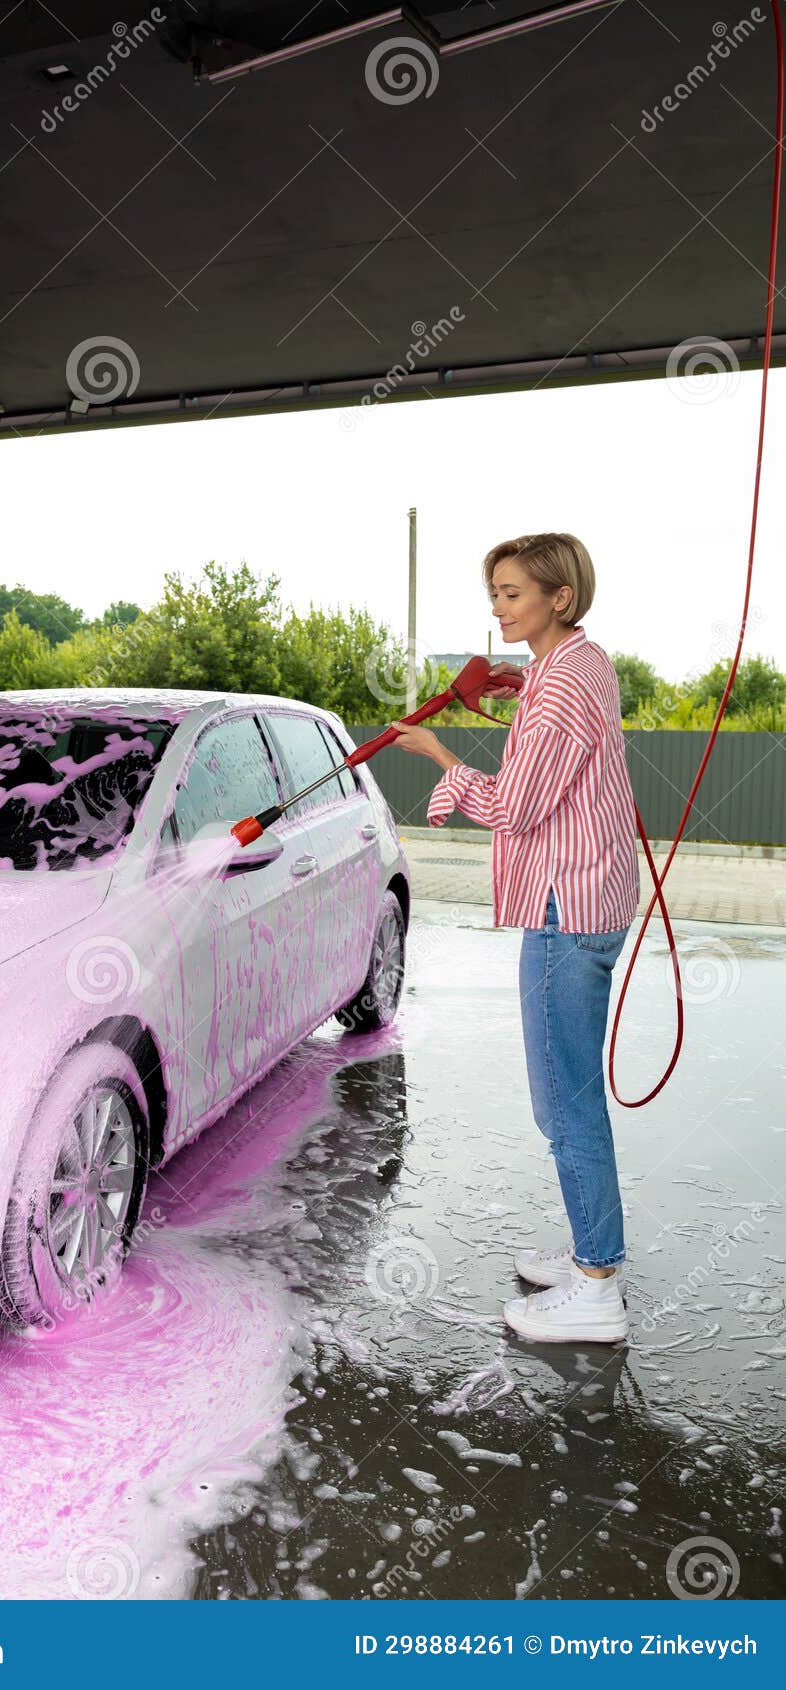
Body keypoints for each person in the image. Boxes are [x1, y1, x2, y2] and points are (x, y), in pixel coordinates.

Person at [390, 533, 640, 1345]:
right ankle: (590, 1256)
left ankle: (596, 1289)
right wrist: (518, 683)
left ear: (558, 597)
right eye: (493, 592)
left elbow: (517, 807)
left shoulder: (563, 681)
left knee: (564, 1101)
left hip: (569, 908)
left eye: (511, 592)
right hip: (584, 897)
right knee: (565, 1096)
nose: (497, 606)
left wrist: (438, 755)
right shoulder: (573, 666)